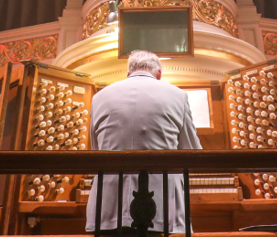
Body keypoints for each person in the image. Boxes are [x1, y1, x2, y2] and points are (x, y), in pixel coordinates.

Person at [85, 50, 202, 233]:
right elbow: (193, 153)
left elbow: (95, 150)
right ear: (159, 74)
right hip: (160, 204)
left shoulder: (99, 97)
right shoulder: (178, 95)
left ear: (128, 73)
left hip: (108, 204)